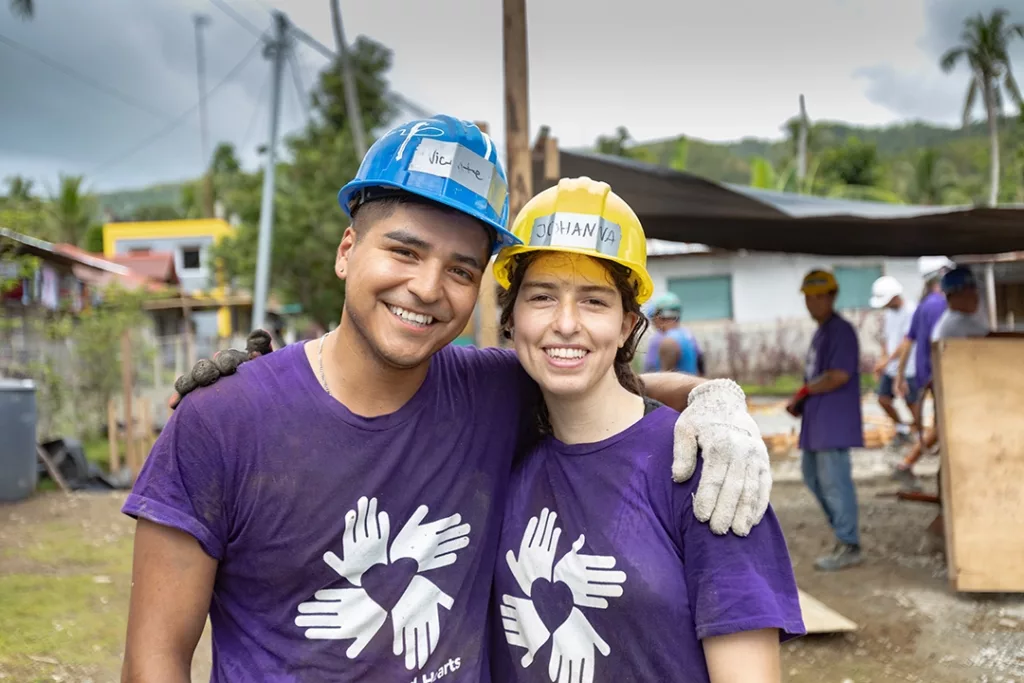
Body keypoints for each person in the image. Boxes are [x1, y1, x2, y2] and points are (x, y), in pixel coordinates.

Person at [121, 114, 774, 681]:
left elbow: (604, 390)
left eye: (461, 269)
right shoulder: (220, 421)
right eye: (404, 250)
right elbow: (153, 661)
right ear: (348, 249)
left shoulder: (489, 393)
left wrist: (715, 399)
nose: (428, 287)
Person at [488, 178, 804, 682]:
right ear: (512, 317)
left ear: (627, 324)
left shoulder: (703, 467)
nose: (566, 323)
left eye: (594, 300)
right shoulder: (500, 449)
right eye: (542, 296)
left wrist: (714, 394)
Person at [785, 270, 864, 571]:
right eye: (808, 297)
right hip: (819, 422)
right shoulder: (823, 331)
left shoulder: (840, 331)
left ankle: (849, 543)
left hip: (833, 422)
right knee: (813, 478)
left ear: (832, 297)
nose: (812, 303)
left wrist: (805, 391)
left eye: (819, 296)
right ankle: (843, 535)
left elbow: (839, 375)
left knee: (834, 483)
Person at [892, 266, 991, 488]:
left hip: (968, 394)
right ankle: (908, 465)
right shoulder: (951, 324)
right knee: (951, 446)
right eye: (968, 292)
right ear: (952, 296)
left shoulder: (969, 318)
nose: (974, 296)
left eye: (974, 291)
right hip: (958, 394)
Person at [892, 261, 951, 486]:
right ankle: (907, 463)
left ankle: (910, 464)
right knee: (943, 426)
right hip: (941, 376)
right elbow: (941, 342)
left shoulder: (923, 304)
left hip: (928, 376)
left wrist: (899, 376)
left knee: (941, 426)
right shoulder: (939, 305)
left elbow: (908, 341)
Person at [869, 276, 919, 447]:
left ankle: (920, 435)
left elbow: (906, 342)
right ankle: (902, 429)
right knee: (883, 399)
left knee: (911, 401)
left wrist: (887, 361)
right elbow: (887, 340)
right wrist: (883, 361)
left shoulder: (911, 312)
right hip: (892, 367)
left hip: (909, 366)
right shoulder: (890, 314)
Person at [643, 292, 705, 375]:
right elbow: (700, 364)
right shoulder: (688, 335)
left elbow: (661, 376)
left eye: (653, 319)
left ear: (658, 316)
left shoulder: (664, 340)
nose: (653, 324)